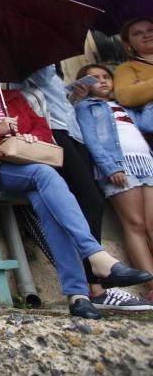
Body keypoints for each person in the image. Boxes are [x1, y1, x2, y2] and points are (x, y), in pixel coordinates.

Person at [0, 51, 153, 319]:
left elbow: (42, 126)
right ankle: (95, 254)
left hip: (28, 162)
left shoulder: (14, 98)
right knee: (46, 175)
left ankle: (77, 295)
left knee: (50, 208)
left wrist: (32, 136)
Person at [16, 64, 150, 310]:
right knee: (88, 201)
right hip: (54, 132)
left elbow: (54, 97)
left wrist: (72, 95)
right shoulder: (23, 59)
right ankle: (95, 282)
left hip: (72, 131)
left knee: (85, 203)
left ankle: (92, 284)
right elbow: (29, 95)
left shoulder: (48, 64)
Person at [75, 64, 153, 304]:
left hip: (146, 162)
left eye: (106, 76)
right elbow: (91, 140)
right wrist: (110, 168)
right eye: (94, 78)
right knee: (135, 223)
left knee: (151, 222)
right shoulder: (86, 106)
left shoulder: (124, 106)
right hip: (119, 166)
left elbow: (147, 125)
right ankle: (151, 283)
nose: (102, 81)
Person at [113, 18, 153, 109]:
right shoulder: (125, 68)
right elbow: (126, 97)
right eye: (137, 33)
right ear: (128, 43)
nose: (147, 35)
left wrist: (145, 86)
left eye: (151, 30)